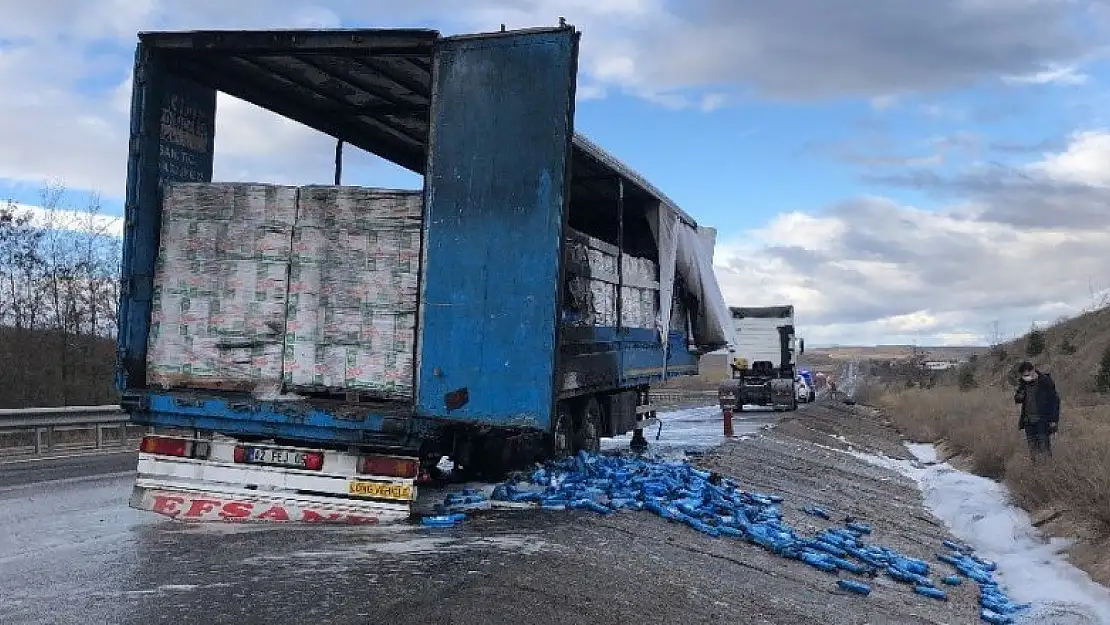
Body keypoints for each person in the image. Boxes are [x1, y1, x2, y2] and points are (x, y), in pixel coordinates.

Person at [1013, 361, 1060, 460]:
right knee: (1033, 451)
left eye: (1027, 374)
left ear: (1033, 370)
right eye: (1023, 375)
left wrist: (1054, 421)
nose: (1026, 377)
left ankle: (1047, 471)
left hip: (1042, 420)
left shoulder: (1045, 381)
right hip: (1028, 421)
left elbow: (1055, 402)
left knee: (1045, 449)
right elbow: (1017, 399)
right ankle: (1035, 471)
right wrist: (1019, 396)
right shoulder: (1023, 384)